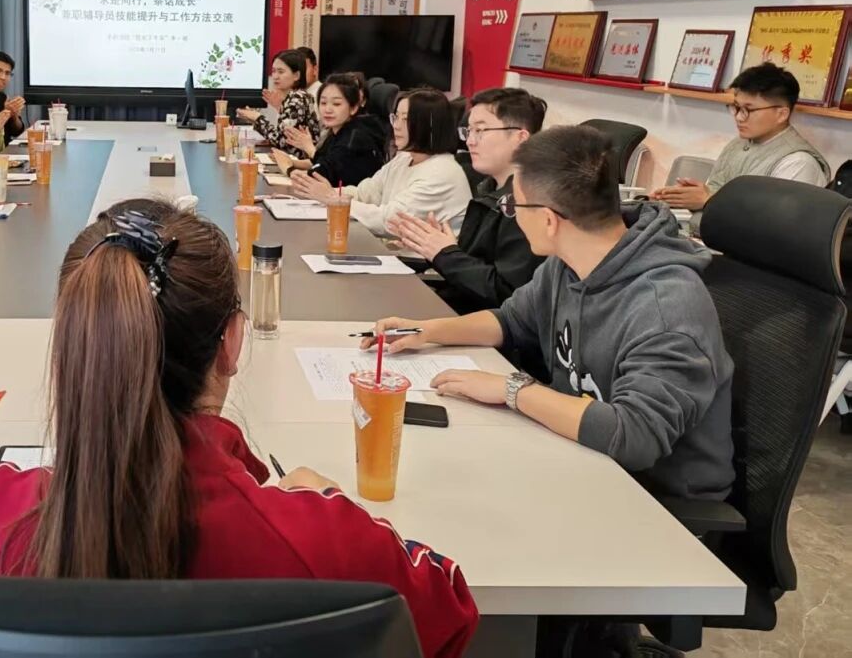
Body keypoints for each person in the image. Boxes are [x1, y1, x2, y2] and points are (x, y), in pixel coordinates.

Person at [0, 202, 479, 658]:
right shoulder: (319, 540)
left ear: (76, 339)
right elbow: (446, 612)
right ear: (232, 342)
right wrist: (328, 500)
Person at [370, 125, 734, 503]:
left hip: (653, 499)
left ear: (548, 219)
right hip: (577, 456)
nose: (512, 216)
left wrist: (512, 390)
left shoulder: (665, 309)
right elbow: (512, 321)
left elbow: (635, 436)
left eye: (514, 207)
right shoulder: (569, 262)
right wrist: (428, 331)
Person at [389, 87, 547, 313]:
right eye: (468, 131)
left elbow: (504, 293)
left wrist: (445, 253)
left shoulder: (527, 203)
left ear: (520, 138)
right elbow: (473, 268)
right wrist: (432, 245)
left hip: (481, 323)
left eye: (480, 131)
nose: (470, 141)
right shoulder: (489, 188)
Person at [653, 62, 829, 225]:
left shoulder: (798, 163)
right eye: (736, 107)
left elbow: (774, 226)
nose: (738, 117)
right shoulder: (738, 144)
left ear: (781, 114)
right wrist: (684, 197)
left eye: (748, 110)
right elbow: (714, 191)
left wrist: (708, 201)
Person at [293, 88, 471, 238]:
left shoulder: (441, 173)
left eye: (406, 119)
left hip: (422, 265)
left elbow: (389, 221)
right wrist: (328, 193)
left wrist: (331, 199)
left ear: (430, 125)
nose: (396, 126)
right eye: (396, 117)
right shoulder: (405, 158)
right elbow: (367, 192)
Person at [282, 74, 387, 188]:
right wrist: (291, 162)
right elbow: (323, 160)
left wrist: (288, 169)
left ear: (353, 108)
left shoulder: (354, 138)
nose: (328, 109)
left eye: (336, 104)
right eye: (323, 103)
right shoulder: (338, 131)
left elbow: (319, 175)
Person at [236, 48, 320, 159]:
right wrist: (256, 120)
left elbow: (280, 141)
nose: (275, 76)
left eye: (281, 72)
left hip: (298, 164)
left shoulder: (297, 99)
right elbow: (281, 135)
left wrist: (257, 118)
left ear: (296, 75)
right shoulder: (297, 96)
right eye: (273, 71)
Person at [0, 50, 27, 144]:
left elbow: (17, 132)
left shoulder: (3, 97)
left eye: (7, 73)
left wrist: (14, 115)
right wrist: (5, 112)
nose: (3, 77)